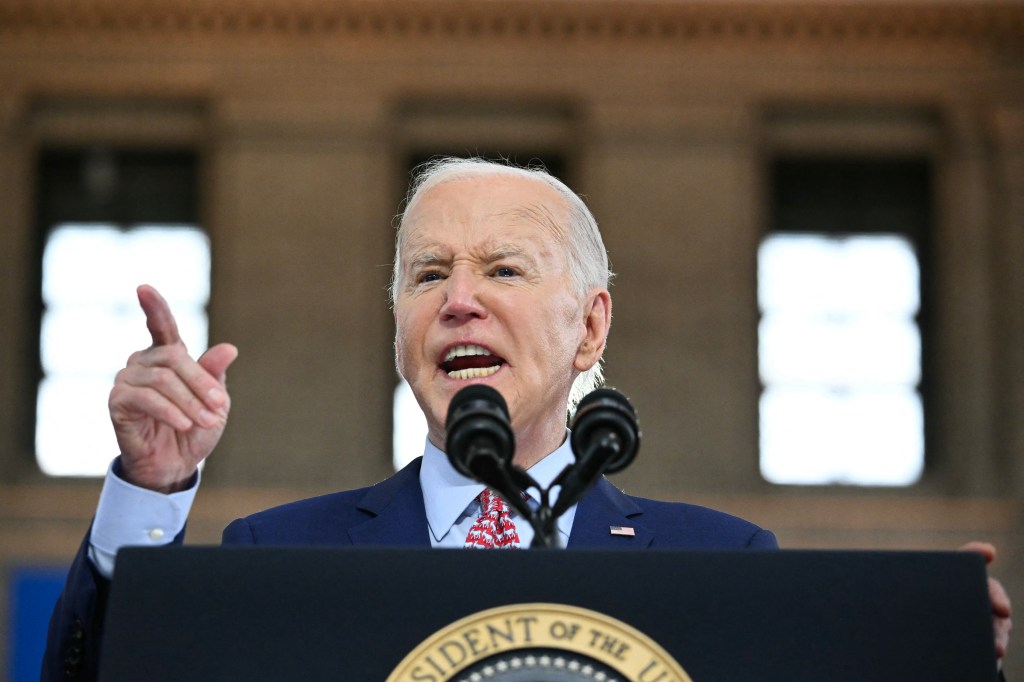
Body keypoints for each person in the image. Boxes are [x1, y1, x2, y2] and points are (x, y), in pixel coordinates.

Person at [43, 158, 1011, 679]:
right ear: (398, 328)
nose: (457, 300)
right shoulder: (275, 553)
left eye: (502, 269)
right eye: (428, 275)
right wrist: (150, 490)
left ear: (591, 326)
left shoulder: (721, 563)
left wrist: (920, 646)